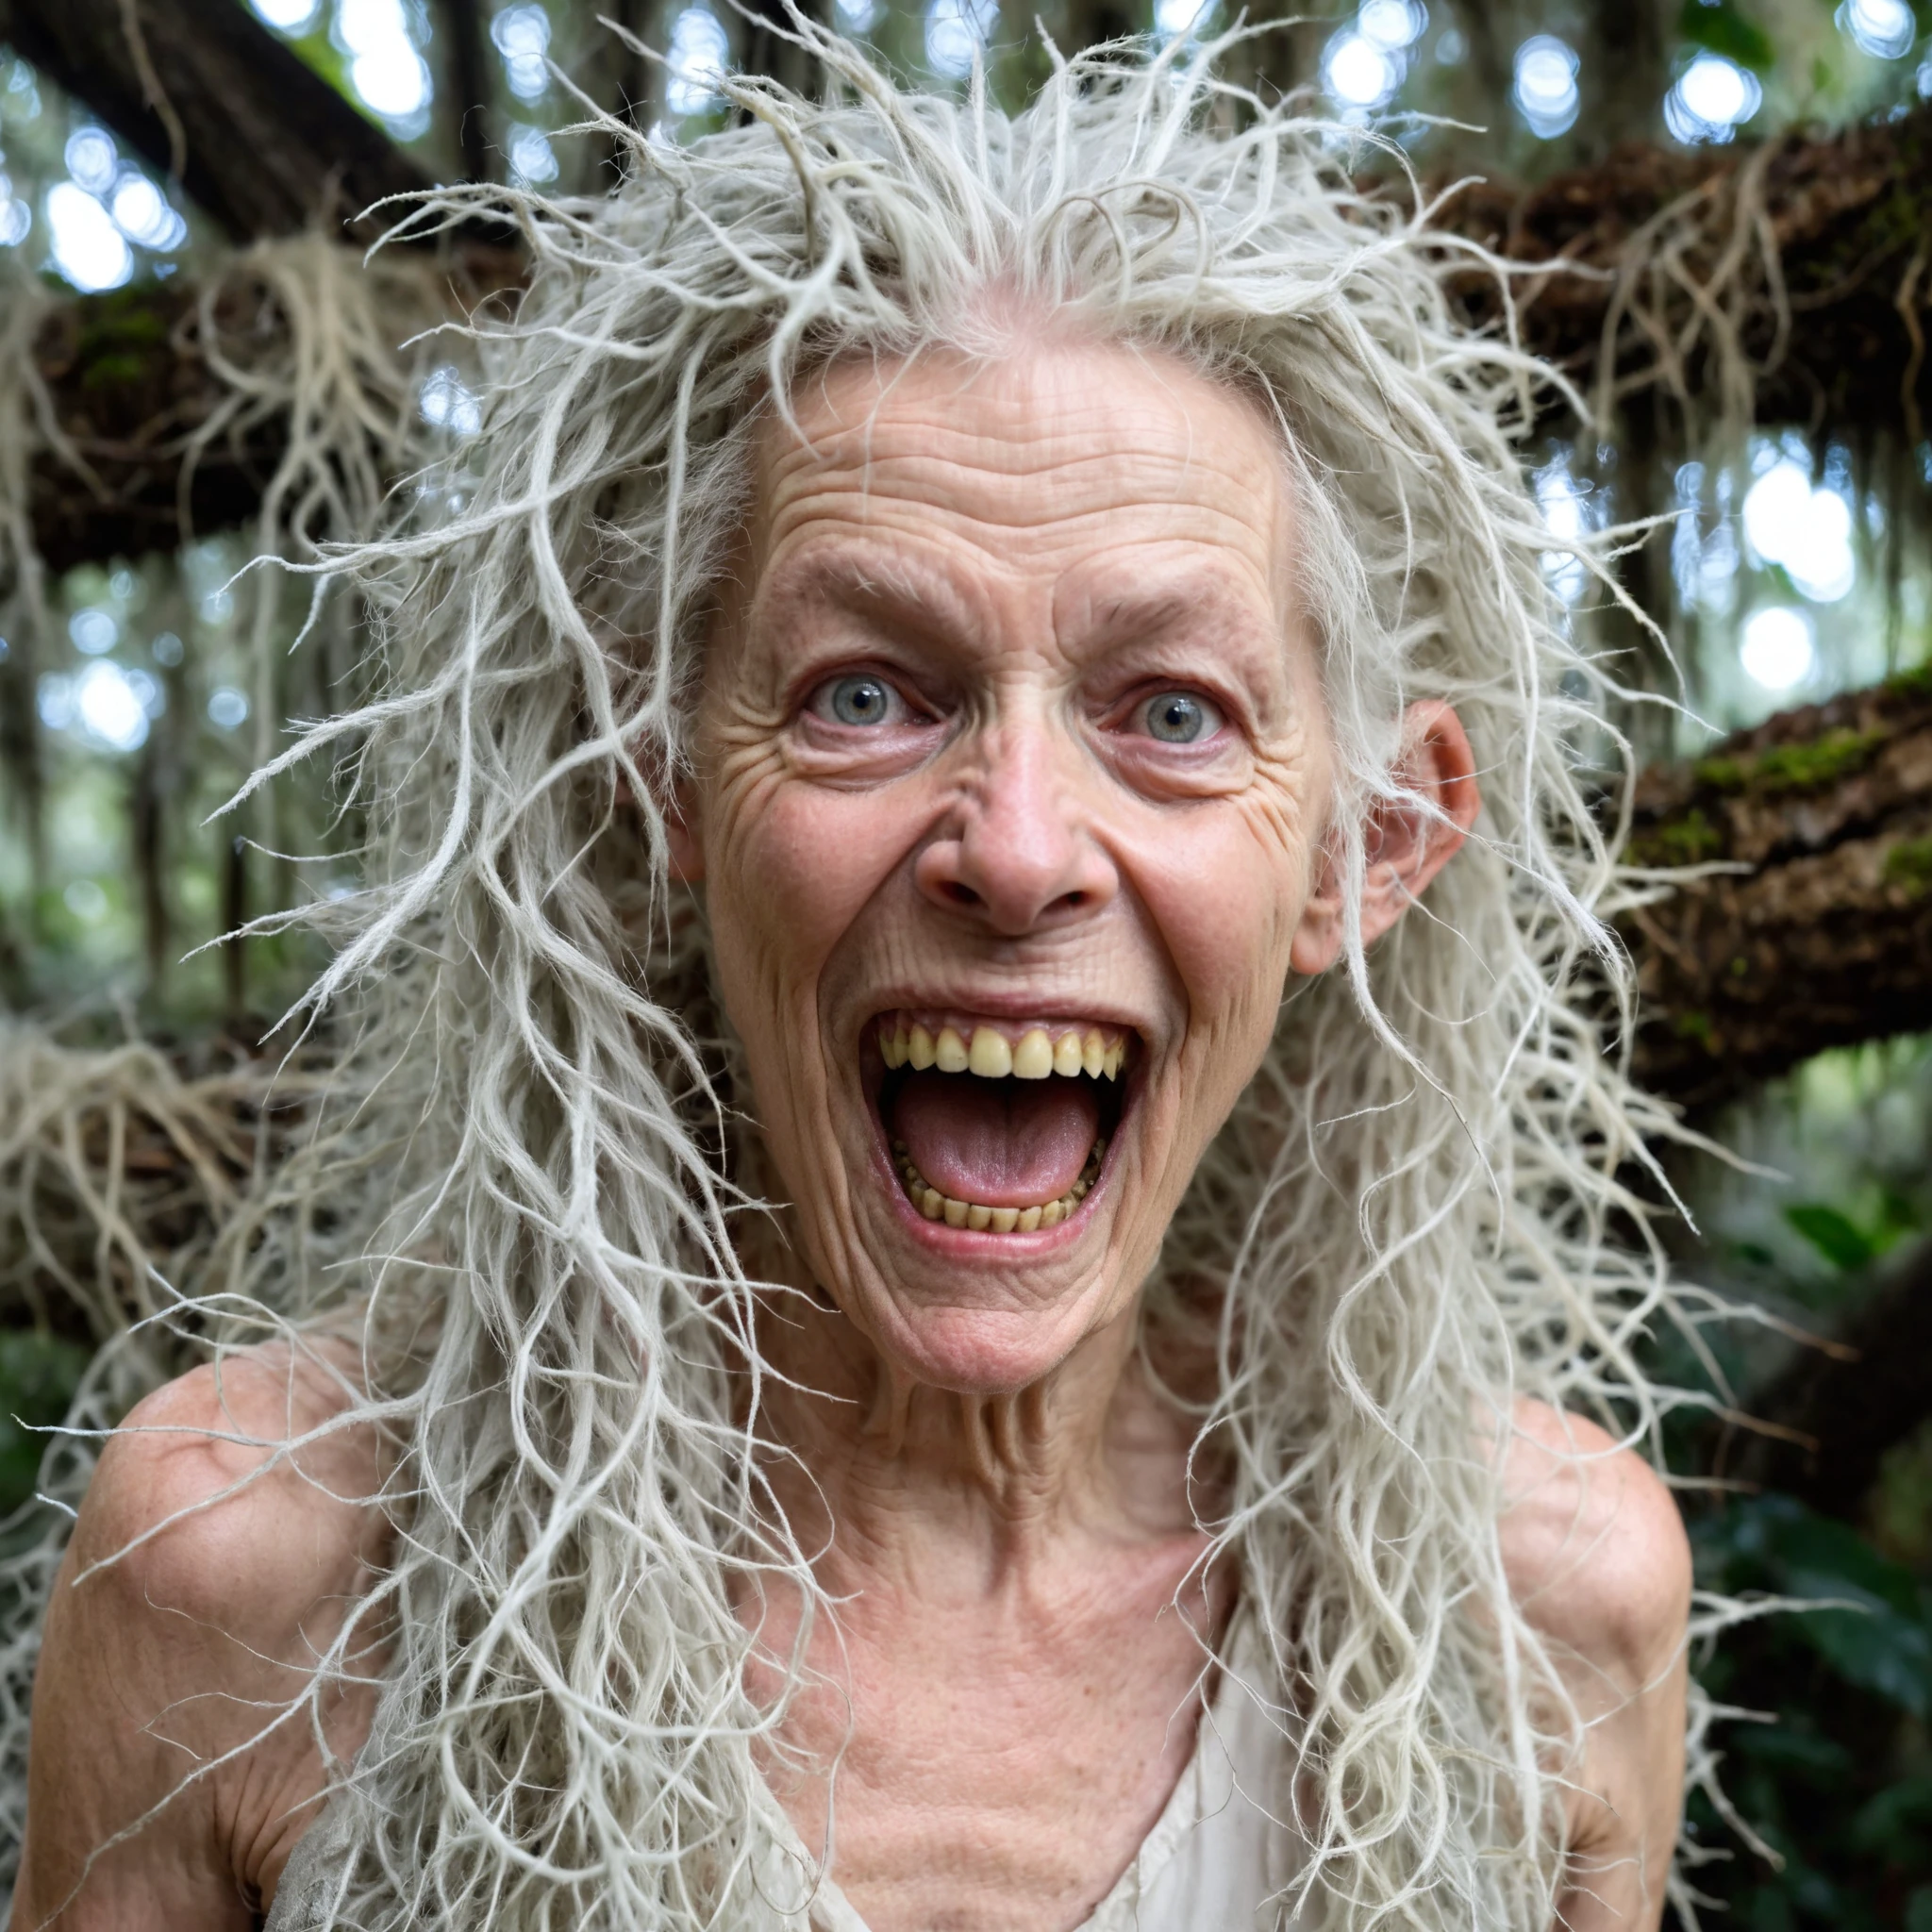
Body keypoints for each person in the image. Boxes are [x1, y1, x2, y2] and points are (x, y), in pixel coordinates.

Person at [11, 33, 1692, 1932]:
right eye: (864, 693)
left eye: (1172, 711)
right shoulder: (256, 1577)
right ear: (656, 783)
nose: (1020, 843)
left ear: (1369, 839)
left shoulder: (1534, 1620)